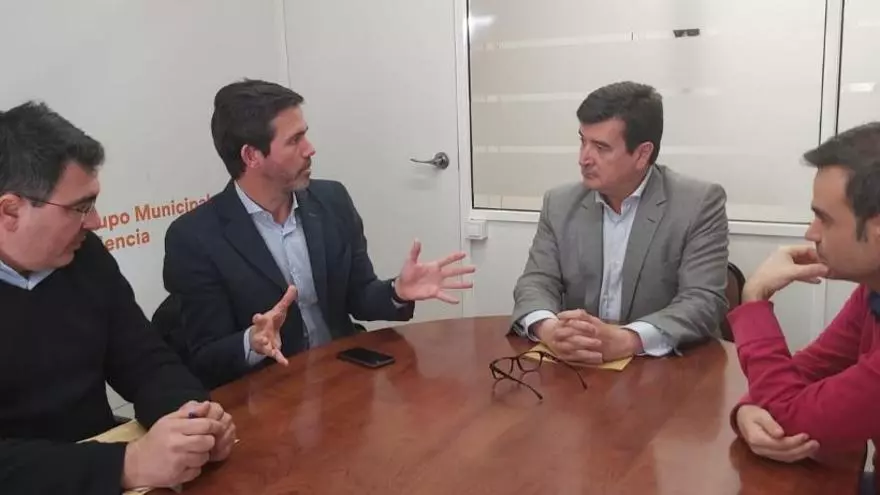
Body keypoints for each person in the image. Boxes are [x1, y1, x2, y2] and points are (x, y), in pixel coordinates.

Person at [163, 79, 474, 388]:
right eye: (294, 140)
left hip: (342, 375)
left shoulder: (331, 201)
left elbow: (359, 296)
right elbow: (206, 357)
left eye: (305, 135)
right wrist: (251, 342)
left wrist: (397, 291)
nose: (310, 149)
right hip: (269, 393)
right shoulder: (194, 238)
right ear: (251, 156)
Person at [0, 102, 236, 493]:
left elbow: (145, 359)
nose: (95, 222)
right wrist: (128, 465)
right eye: (79, 208)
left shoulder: (84, 256)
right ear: (10, 211)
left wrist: (192, 419)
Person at [511, 81, 729, 363]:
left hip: (665, 369)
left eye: (601, 147)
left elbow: (703, 300)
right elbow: (536, 282)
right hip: (581, 367)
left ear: (642, 154)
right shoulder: (560, 203)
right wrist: (550, 329)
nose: (583, 159)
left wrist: (628, 340)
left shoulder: (697, 204)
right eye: (583, 141)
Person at [730, 122, 880, 493]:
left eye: (824, 218)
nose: (811, 233)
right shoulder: (872, 293)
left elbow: (790, 414)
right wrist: (747, 408)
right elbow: (808, 369)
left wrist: (755, 299)